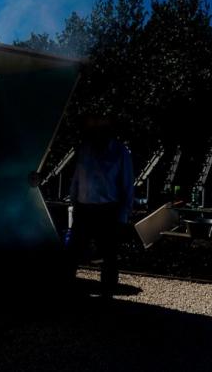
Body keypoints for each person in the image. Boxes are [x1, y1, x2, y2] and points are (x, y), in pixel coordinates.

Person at [67, 114, 134, 299]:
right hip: (84, 208)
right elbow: (77, 178)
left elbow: (127, 184)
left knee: (109, 255)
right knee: (73, 252)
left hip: (107, 210)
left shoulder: (120, 152)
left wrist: (122, 215)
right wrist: (74, 202)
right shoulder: (85, 149)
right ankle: (67, 291)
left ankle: (107, 295)